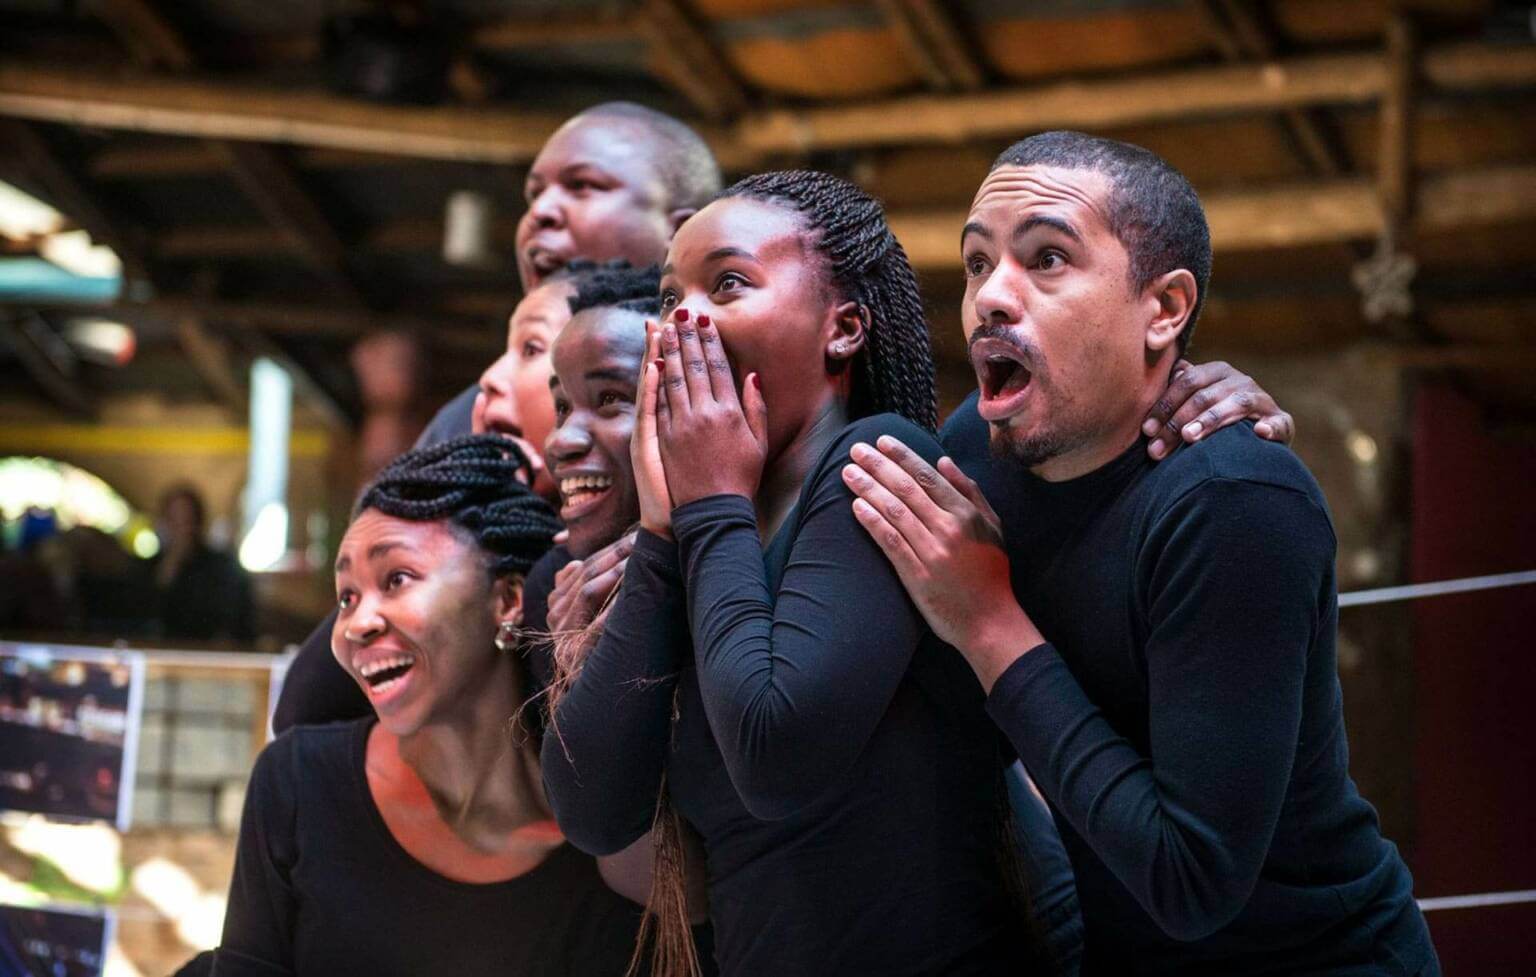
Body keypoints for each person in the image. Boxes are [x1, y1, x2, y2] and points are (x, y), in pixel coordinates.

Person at [841, 131, 1438, 976]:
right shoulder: (978, 446)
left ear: (1164, 309)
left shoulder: (1231, 502)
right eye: (977, 264)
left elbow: (1191, 881)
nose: (990, 298)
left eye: (1047, 258)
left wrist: (988, 620)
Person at [541, 171, 1049, 976]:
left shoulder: (878, 464)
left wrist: (706, 503)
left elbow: (776, 753)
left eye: (730, 283)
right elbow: (593, 808)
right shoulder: (701, 529)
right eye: (671, 298)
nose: (684, 320)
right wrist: (663, 531)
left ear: (841, 328)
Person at [212, 435, 645, 977]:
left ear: (507, 599)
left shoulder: (609, 855)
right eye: (346, 596)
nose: (356, 623)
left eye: (396, 578)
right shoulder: (296, 784)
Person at [152, 484, 254, 643]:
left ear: (198, 522)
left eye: (187, 520)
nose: (181, 528)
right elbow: (145, 619)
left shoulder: (221, 568)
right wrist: (167, 571)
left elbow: (233, 622)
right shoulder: (149, 567)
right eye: (174, 520)